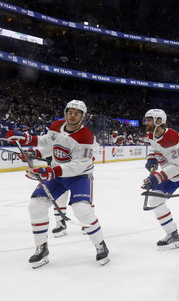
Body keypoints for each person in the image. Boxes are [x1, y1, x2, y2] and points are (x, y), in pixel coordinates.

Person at [5, 100, 109, 268]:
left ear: (83, 117)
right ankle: (41, 248)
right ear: (65, 113)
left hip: (80, 176)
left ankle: (100, 245)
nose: (72, 115)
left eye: (77, 113)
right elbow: (47, 143)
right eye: (70, 111)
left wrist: (50, 171)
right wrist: (26, 141)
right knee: (36, 205)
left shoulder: (86, 136)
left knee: (82, 210)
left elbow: (79, 165)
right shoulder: (56, 126)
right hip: (57, 175)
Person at [141, 108, 179, 250]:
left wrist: (156, 177)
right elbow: (154, 148)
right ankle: (172, 234)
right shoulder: (151, 134)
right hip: (171, 174)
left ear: (158, 121)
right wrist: (152, 159)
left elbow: (177, 167)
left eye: (149, 120)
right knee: (155, 201)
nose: (146, 122)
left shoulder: (171, 139)